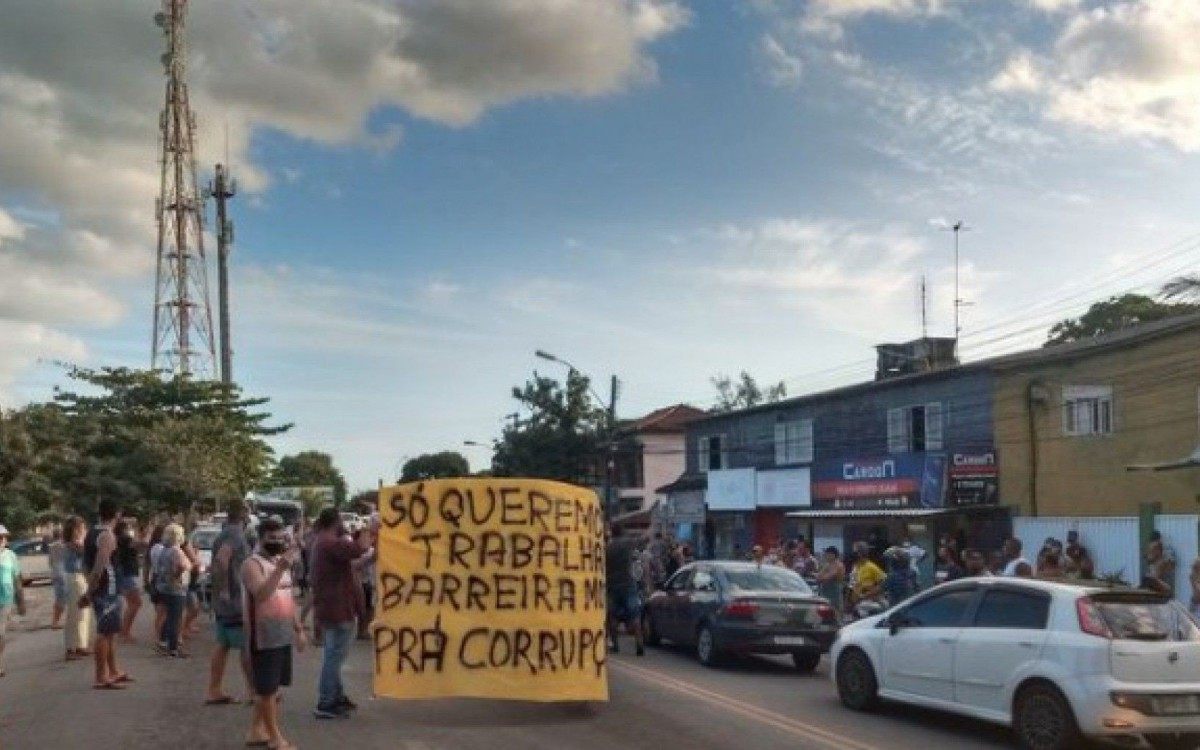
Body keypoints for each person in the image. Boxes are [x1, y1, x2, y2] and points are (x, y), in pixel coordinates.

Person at [242, 517, 305, 749]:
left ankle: (256, 731)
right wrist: (279, 570)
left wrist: (298, 629)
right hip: (263, 635)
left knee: (274, 689)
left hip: (283, 633)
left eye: (280, 538)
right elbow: (261, 595)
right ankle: (275, 738)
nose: (277, 542)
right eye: (271, 538)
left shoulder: (281, 562)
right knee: (267, 691)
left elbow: (290, 597)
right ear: (260, 539)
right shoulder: (252, 564)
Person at [311, 507, 371, 719]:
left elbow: (352, 562)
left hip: (331, 607)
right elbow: (360, 548)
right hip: (338, 608)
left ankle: (336, 696)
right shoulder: (331, 543)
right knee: (334, 658)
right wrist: (367, 529)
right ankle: (327, 701)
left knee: (333, 655)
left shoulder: (322, 542)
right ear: (335, 522)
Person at [207, 499, 254, 705]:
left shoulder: (224, 533)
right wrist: (226, 589)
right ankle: (253, 690)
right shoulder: (235, 534)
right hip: (234, 600)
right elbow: (222, 559)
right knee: (246, 645)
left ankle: (214, 689)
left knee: (223, 643)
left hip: (224, 600)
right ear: (243, 513)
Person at [81, 498, 130, 689]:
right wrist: (89, 591)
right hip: (107, 589)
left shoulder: (92, 532)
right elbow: (99, 567)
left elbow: (85, 564)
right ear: (117, 514)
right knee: (103, 632)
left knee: (109, 632)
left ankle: (113, 671)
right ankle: (101, 677)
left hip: (104, 589)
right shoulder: (107, 535)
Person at [605, 523, 645, 657]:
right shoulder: (627, 543)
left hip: (612, 585)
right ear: (622, 532)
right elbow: (643, 539)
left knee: (613, 616)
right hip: (628, 584)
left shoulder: (607, 547)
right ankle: (639, 644)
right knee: (635, 615)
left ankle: (615, 644)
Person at [153, 523, 192, 658]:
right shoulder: (176, 550)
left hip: (164, 587)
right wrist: (177, 575)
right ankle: (173, 648)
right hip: (176, 588)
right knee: (175, 619)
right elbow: (182, 565)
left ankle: (163, 642)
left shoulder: (164, 549)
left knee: (168, 617)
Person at [62, 516, 93, 660]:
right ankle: (70, 648)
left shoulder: (74, 543)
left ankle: (81, 644)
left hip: (79, 577)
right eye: (81, 528)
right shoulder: (72, 544)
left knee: (83, 613)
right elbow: (85, 551)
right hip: (75, 577)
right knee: (75, 613)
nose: (83, 530)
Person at [0, 525, 27, 678]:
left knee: (0, 633)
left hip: (5, 599)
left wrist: (21, 601)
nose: (1, 540)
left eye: (3, 537)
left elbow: (17, 579)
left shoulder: (10, 555)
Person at [114, 519, 142, 642]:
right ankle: (124, 631)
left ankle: (124, 630)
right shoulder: (125, 538)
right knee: (135, 602)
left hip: (125, 572)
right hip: (127, 573)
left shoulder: (119, 538)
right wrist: (136, 529)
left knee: (132, 603)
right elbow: (138, 545)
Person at [352, 525, 378, 641]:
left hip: (369, 582)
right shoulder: (355, 551)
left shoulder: (371, 550)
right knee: (362, 609)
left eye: (369, 537)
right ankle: (361, 630)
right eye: (365, 537)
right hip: (360, 583)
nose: (368, 539)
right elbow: (356, 565)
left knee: (369, 609)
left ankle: (364, 630)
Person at [849, 541, 886, 612]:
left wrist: (866, 594)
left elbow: (883, 584)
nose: (853, 554)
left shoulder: (871, 567)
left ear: (861, 553)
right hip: (857, 603)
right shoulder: (855, 567)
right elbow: (852, 584)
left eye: (855, 552)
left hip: (869, 603)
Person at [815, 547, 846, 620]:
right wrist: (821, 577)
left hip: (835, 593)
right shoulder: (827, 565)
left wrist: (822, 577)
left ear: (833, 555)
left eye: (828, 554)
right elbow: (819, 577)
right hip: (825, 593)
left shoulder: (839, 565)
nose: (826, 556)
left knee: (836, 613)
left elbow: (829, 576)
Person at [1144, 531, 1177, 595]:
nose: (1150, 553)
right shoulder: (1154, 561)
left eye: (1152, 550)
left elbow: (1157, 579)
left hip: (1163, 590)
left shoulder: (1163, 560)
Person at [48, 527, 66, 629]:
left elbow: (50, 562)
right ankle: (55, 622)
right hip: (63, 574)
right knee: (62, 600)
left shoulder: (51, 547)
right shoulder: (61, 545)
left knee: (59, 599)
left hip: (56, 574)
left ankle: (55, 621)